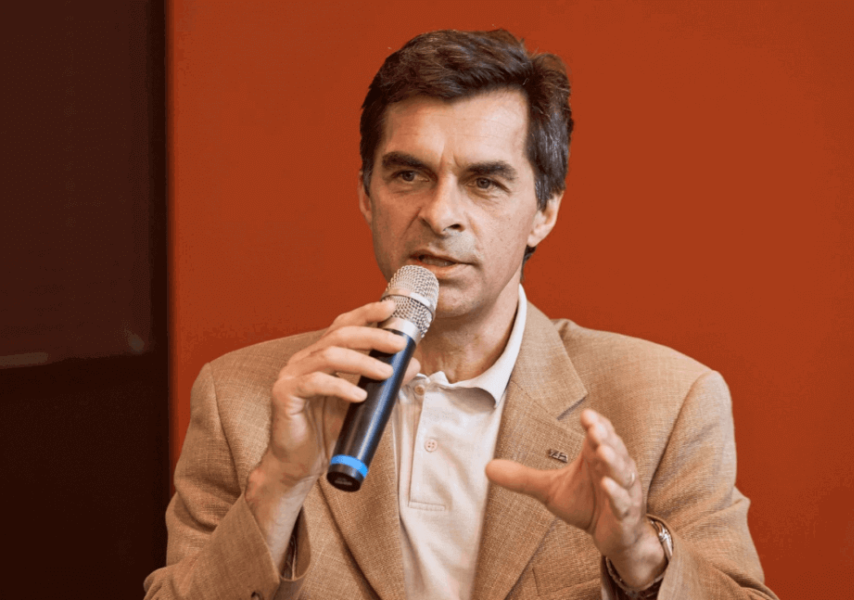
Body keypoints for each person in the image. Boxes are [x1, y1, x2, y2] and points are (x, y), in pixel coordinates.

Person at [145, 29, 777, 600]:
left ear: (544, 212)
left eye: (484, 182)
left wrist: (640, 556)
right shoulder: (240, 398)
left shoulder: (669, 402)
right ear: (366, 195)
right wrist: (279, 484)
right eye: (408, 175)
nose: (440, 213)